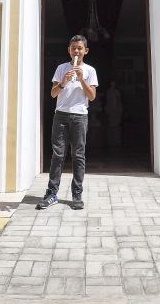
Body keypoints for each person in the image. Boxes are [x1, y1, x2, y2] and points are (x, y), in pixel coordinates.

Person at [36, 35, 98, 210]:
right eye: (73, 48)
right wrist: (63, 82)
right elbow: (53, 94)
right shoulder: (61, 68)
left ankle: (76, 195)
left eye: (79, 48)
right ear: (69, 51)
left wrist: (81, 78)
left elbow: (92, 96)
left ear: (85, 51)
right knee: (58, 155)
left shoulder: (90, 70)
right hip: (61, 116)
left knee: (78, 156)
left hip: (79, 117)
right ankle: (51, 193)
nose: (76, 51)